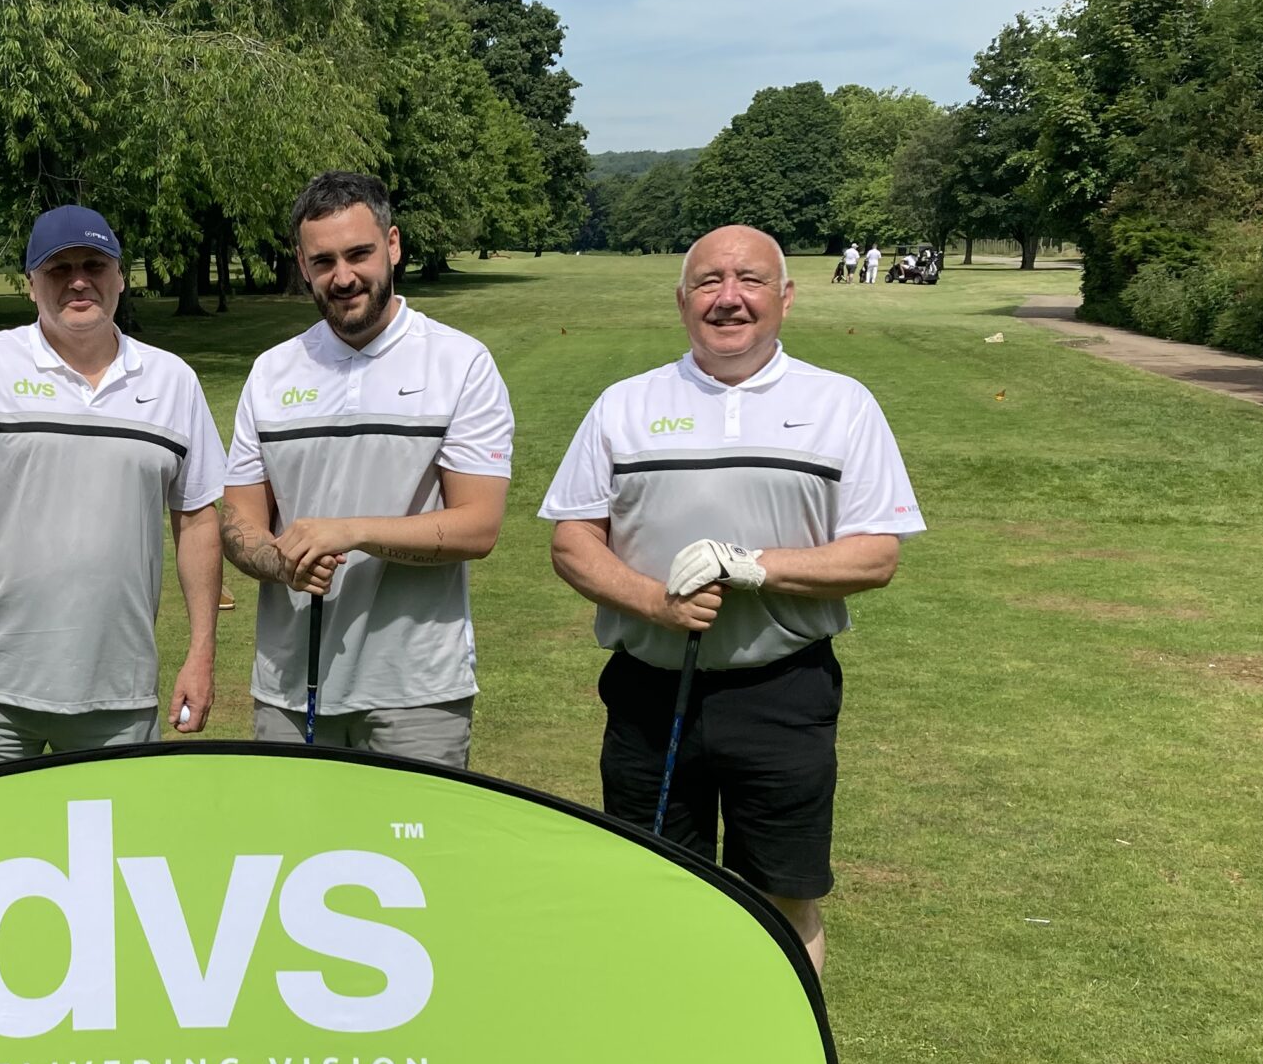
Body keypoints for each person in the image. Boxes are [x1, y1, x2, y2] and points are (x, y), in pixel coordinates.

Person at [540, 224, 925, 973]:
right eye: (709, 282)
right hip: (650, 693)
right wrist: (653, 601)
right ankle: (668, 1033)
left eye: (750, 280)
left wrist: (751, 566)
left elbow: (876, 555)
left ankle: (781, 1043)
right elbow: (572, 542)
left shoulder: (841, 404)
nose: (728, 298)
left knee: (782, 898)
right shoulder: (625, 404)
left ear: (786, 297)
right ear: (681, 300)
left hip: (782, 692)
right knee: (651, 888)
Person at [0, 205, 225, 765]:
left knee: (118, 828)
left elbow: (196, 519)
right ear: (31, 285)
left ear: (120, 277)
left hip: (119, 689)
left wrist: (201, 652)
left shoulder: (173, 381)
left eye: (94, 265)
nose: (78, 281)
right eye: (58, 268)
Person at [219, 172, 512, 767]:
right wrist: (279, 561)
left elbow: (478, 527)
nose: (344, 276)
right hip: (288, 688)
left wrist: (350, 531)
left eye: (359, 254)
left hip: (418, 693)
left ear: (393, 245)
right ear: (303, 266)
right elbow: (237, 521)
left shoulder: (460, 363)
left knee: (415, 836)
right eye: (323, 261)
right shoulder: (272, 372)